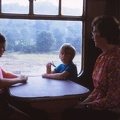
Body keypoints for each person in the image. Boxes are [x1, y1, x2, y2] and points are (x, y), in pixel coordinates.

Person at [63, 15, 120, 120]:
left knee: (69, 114)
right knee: (68, 109)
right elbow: (98, 89)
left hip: (111, 112)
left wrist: (86, 105)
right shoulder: (101, 57)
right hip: (99, 106)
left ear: (103, 34)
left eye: (94, 31)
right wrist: (84, 102)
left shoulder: (116, 59)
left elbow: (113, 100)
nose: (92, 35)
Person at [0, 33, 31, 120]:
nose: (4, 50)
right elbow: (1, 82)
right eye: (2, 47)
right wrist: (19, 80)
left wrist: (20, 77)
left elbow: (5, 74)